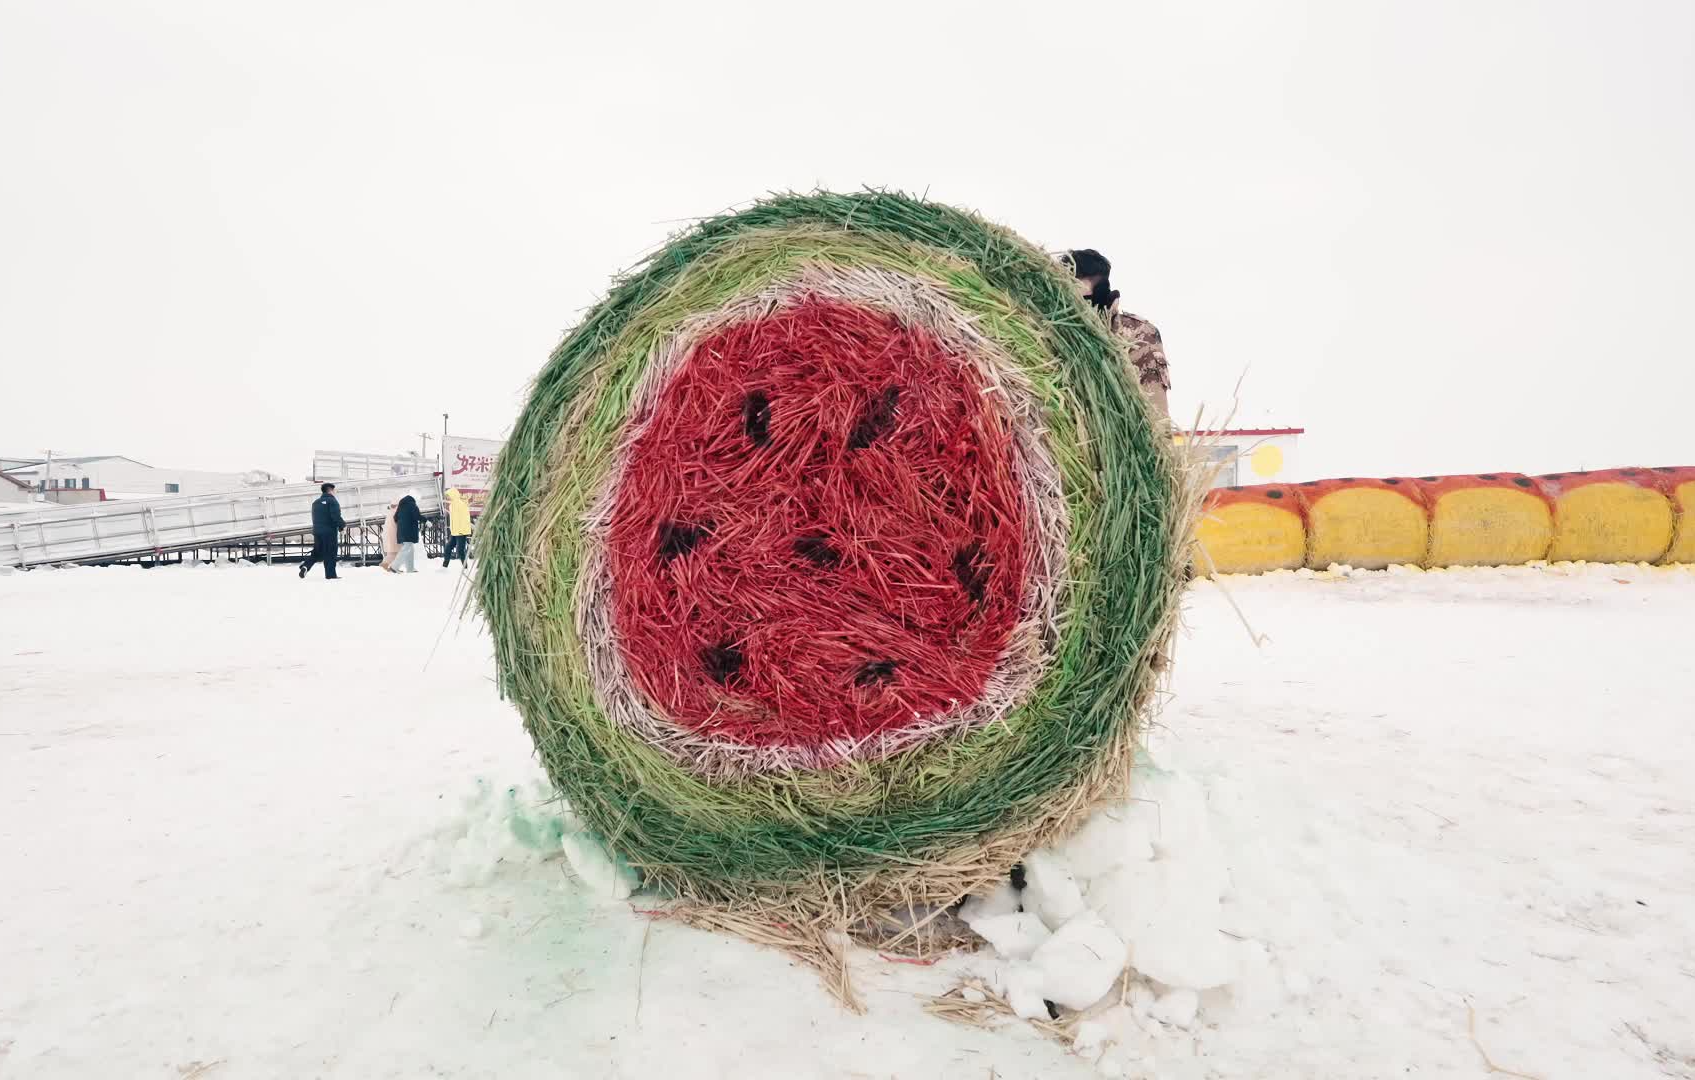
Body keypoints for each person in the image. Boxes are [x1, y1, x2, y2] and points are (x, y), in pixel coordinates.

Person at [1061, 248, 1171, 422]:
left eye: (1082, 300)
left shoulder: (1139, 334)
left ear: (1102, 293)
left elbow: (1157, 415)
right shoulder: (1054, 334)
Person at [299, 482, 345, 580]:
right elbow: (335, 516)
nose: (335, 492)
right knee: (330, 553)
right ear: (330, 490)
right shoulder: (332, 501)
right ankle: (331, 575)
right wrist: (342, 525)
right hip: (329, 532)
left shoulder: (315, 503)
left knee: (317, 552)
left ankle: (306, 566)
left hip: (317, 532)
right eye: (334, 490)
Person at [391, 494, 423, 573]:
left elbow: (395, 518)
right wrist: (426, 521)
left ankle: (410, 568)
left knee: (410, 549)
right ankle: (394, 566)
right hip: (408, 531)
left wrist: (402, 523)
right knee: (407, 548)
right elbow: (417, 516)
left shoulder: (401, 506)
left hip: (401, 531)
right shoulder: (412, 505)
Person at [442, 488, 472, 568]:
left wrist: (463, 530)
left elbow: (465, 518)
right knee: (448, 548)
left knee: (460, 550)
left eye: (448, 495)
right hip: (455, 532)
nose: (447, 497)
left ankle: (465, 567)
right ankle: (444, 566)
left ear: (453, 495)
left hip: (461, 531)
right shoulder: (452, 505)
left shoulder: (461, 504)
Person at [379, 501, 400, 572]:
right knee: (396, 552)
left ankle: (388, 565)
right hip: (394, 535)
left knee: (392, 552)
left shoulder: (390, 512)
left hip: (390, 534)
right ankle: (387, 564)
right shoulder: (395, 512)